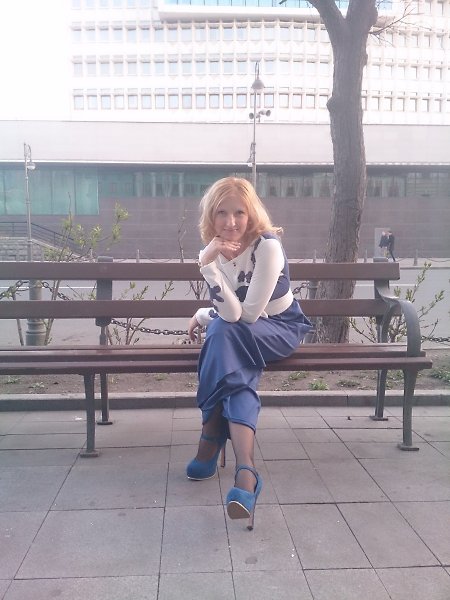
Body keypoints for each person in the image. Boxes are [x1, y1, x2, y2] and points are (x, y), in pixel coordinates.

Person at [186, 177, 312, 530]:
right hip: (239, 331)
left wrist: (203, 310)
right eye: (222, 213)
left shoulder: (267, 247)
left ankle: (210, 436)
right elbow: (230, 315)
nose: (231, 222)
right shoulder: (215, 249)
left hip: (280, 327)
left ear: (251, 212)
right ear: (210, 216)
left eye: (239, 212)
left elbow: (247, 315)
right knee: (227, 345)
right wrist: (209, 264)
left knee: (222, 334)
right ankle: (246, 471)